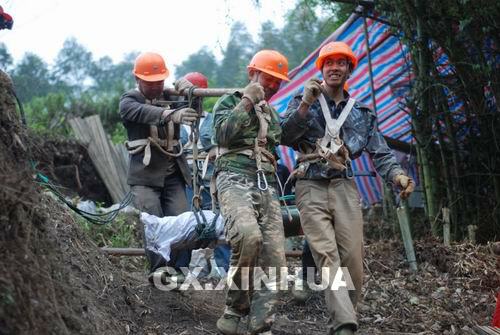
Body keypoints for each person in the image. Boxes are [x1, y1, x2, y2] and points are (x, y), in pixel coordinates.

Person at [281, 41, 415, 335]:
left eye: (341, 63)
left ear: (349, 69)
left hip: (344, 187)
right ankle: (344, 324)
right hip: (310, 185)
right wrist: (305, 103)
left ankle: (345, 317)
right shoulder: (304, 102)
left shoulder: (362, 114)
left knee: (353, 259)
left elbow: (380, 153)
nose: (334, 67)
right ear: (322, 69)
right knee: (325, 253)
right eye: (329, 63)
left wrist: (398, 176)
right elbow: (283, 135)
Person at [212, 50, 290, 335]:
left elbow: (282, 142)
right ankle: (235, 307)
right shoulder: (229, 102)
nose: (271, 85)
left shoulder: (273, 115)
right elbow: (221, 135)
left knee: (275, 257)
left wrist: (305, 105)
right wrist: (247, 101)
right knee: (248, 236)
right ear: (252, 74)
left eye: (277, 81)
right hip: (233, 177)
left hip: (265, 183)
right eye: (267, 78)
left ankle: (261, 325)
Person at [119, 52, 199, 276]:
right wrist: (170, 114)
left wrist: (190, 92)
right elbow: (141, 112)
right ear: (138, 80)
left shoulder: (171, 96)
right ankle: (159, 272)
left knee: (183, 221)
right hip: (144, 177)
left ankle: (179, 271)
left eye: (159, 82)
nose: (156, 87)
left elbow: (194, 111)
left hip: (173, 175)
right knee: (153, 222)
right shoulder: (129, 100)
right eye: (150, 82)